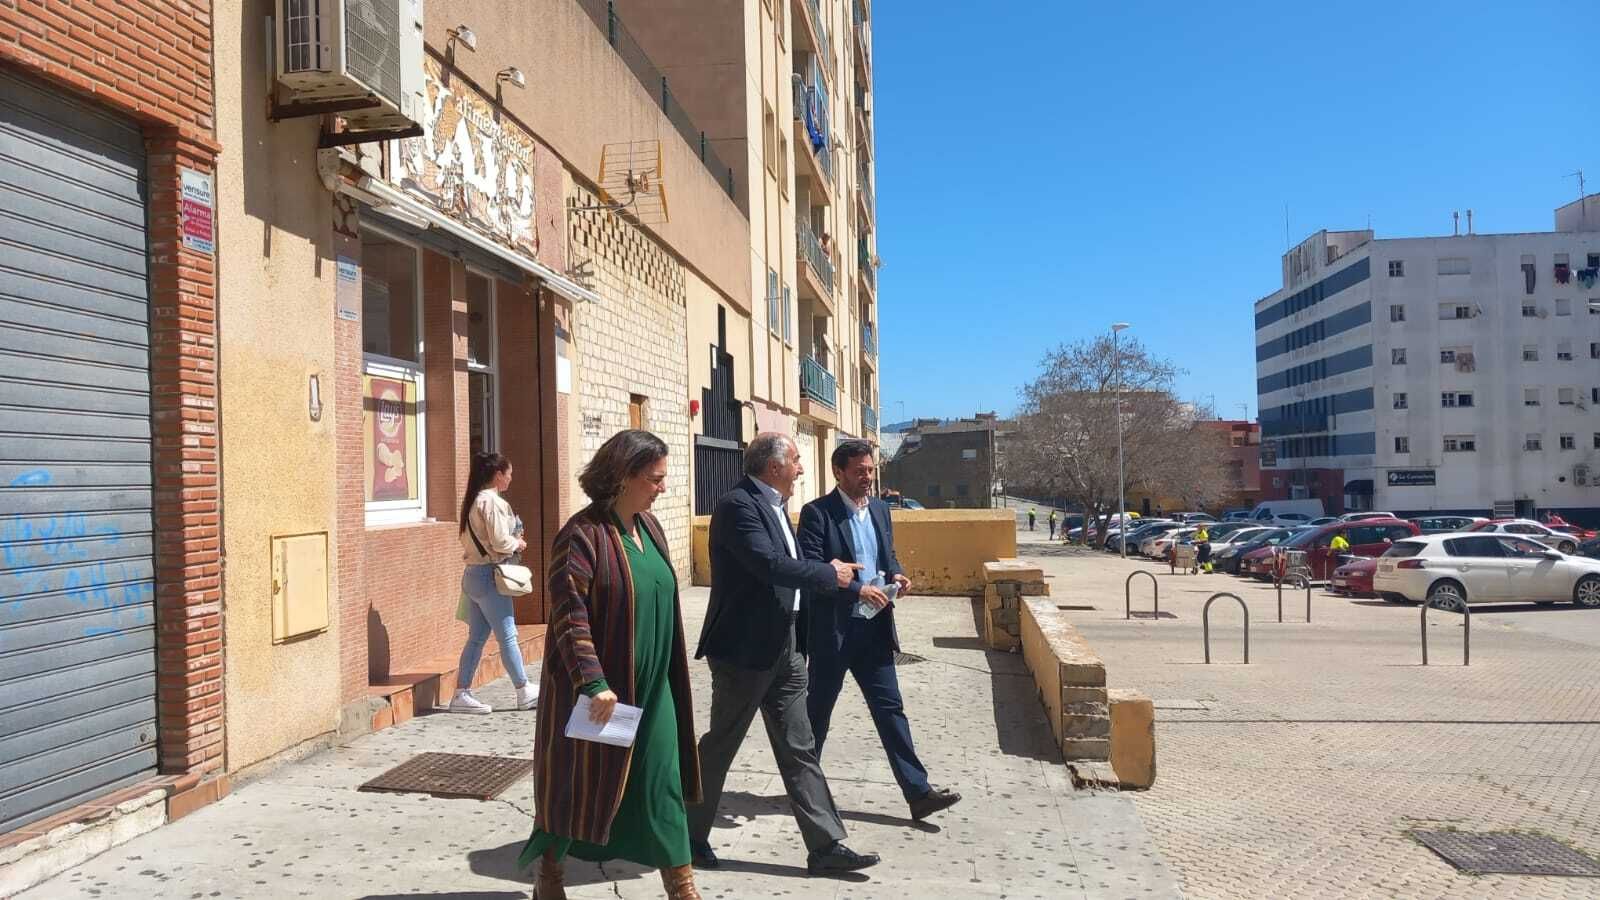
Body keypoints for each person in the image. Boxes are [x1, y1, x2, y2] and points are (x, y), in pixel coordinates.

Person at [520, 431, 704, 900]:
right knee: (580, 787)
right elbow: (569, 616)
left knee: (663, 783)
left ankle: (683, 889)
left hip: (656, 687)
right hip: (605, 694)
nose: (662, 487)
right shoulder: (581, 536)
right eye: (655, 479)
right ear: (624, 476)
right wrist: (593, 682)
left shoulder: (651, 529)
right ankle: (549, 874)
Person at [689, 432, 880, 877]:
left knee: (800, 747)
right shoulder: (738, 506)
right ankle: (686, 834)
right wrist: (828, 574)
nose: (801, 468)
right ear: (773, 466)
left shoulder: (777, 505)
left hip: (787, 647)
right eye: (795, 460)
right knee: (721, 746)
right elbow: (769, 566)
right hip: (745, 650)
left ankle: (826, 846)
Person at [798, 441, 962, 822]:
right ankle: (802, 788)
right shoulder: (817, 514)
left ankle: (918, 793)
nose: (867, 477)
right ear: (838, 472)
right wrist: (858, 590)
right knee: (818, 712)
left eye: (870, 470)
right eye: (859, 471)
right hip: (834, 632)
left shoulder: (881, 511)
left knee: (891, 709)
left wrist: (896, 576)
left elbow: (887, 557)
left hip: (874, 629)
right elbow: (812, 569)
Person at [450, 451, 538, 715]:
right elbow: (500, 542)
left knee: (476, 638)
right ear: (498, 475)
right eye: (508, 473)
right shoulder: (492, 502)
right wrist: (517, 543)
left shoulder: (472, 501)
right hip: (490, 576)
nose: (510, 478)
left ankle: (461, 692)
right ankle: (523, 689)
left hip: (473, 574)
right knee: (507, 635)